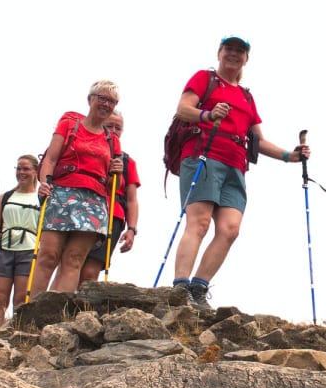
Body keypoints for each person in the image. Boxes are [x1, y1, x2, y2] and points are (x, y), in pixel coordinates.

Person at [170, 35, 311, 310]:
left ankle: (198, 288)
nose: (234, 54)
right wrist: (207, 115)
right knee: (199, 223)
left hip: (235, 164)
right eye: (229, 49)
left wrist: (289, 156)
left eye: (240, 51)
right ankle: (179, 289)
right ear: (219, 53)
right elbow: (183, 110)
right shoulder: (204, 78)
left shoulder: (246, 96)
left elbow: (258, 139)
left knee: (230, 229)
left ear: (246, 58)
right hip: (203, 155)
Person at [31, 80, 123, 296]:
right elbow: (50, 159)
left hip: (95, 200)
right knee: (48, 255)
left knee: (74, 259)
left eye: (112, 101)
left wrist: (117, 172)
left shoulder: (112, 140)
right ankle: (29, 312)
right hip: (61, 192)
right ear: (90, 99)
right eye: (102, 98)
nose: (106, 104)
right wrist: (44, 182)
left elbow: (114, 186)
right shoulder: (68, 123)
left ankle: (55, 313)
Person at [0, 155, 42, 328]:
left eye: (26, 168)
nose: (21, 172)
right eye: (18, 168)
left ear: (36, 171)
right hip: (3, 248)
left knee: (21, 299)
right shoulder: (5, 197)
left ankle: (16, 337)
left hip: (29, 250)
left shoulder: (42, 197)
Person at [81, 109, 140, 284]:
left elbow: (131, 199)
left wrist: (132, 229)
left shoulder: (127, 161)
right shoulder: (86, 150)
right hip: (83, 209)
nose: (113, 131)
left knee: (91, 270)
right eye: (109, 126)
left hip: (112, 216)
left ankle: (84, 308)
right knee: (72, 261)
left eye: (118, 128)